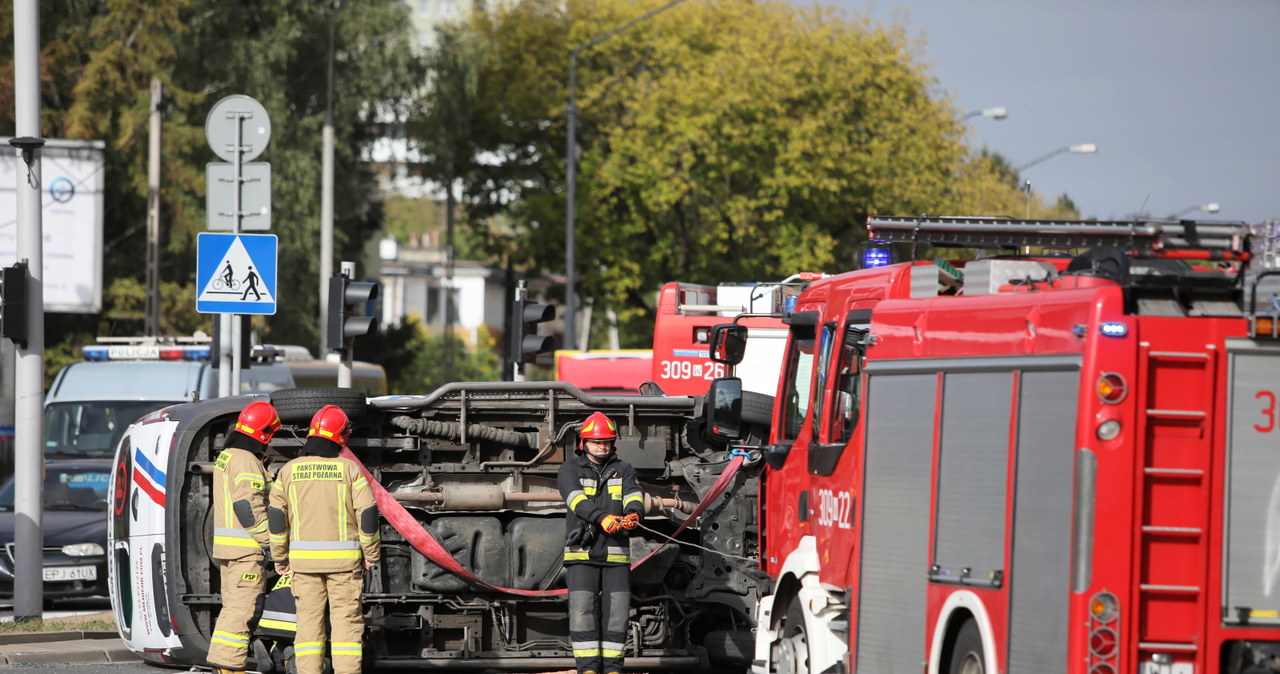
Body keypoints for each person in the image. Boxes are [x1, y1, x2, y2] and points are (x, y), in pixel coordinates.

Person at [269, 405, 379, 674]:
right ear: (341, 437)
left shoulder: (289, 471)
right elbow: (368, 515)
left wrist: (280, 556)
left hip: (304, 566)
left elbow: (275, 518)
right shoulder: (350, 470)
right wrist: (371, 555)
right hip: (345, 566)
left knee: (308, 624)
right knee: (346, 625)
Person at [557, 411, 645, 674]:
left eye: (606, 441)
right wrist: (603, 518)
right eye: (597, 441)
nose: (602, 446)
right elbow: (575, 499)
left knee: (617, 615)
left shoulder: (625, 469)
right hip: (581, 553)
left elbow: (634, 494)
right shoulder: (569, 469)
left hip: (615, 553)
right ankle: (589, 669)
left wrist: (634, 514)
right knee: (583, 613)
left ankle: (614, 668)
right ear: (584, 443)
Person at [208, 400, 282, 674]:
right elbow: (247, 505)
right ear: (263, 432)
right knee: (244, 611)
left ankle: (224, 666)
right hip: (247, 552)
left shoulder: (228, 455)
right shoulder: (246, 460)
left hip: (230, 551)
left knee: (232, 610)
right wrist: (269, 539)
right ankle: (230, 668)